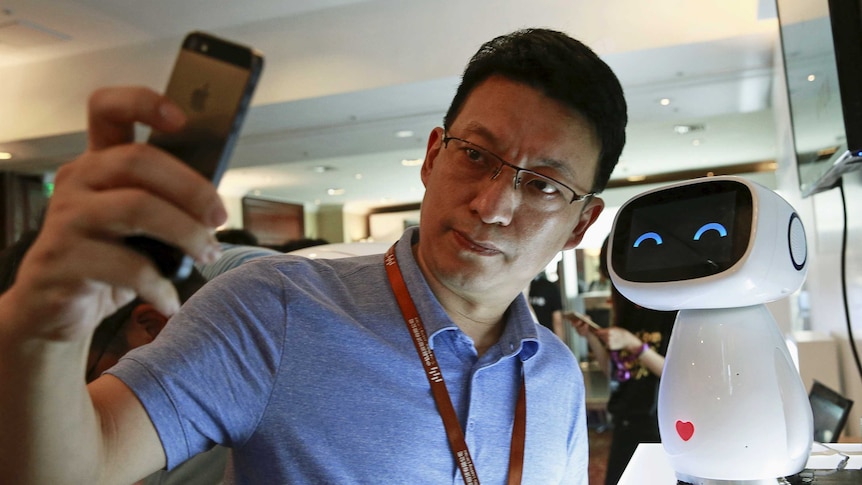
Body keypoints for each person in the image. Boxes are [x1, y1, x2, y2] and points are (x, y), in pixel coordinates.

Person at [0, 27, 627, 484]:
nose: (492, 205)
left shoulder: (556, 376)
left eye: (544, 184)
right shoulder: (275, 306)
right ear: (434, 156)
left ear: (581, 224)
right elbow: (77, 464)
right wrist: (39, 333)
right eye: (475, 155)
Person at [568, 236, 676, 485]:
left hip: (660, 425)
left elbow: (677, 376)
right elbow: (616, 373)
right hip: (626, 420)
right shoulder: (627, 310)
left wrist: (633, 344)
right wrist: (592, 339)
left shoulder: (672, 309)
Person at [528, 270, 566, 340]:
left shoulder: (519, 289)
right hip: (547, 339)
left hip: (525, 340)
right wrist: (560, 346)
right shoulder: (551, 287)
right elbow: (557, 321)